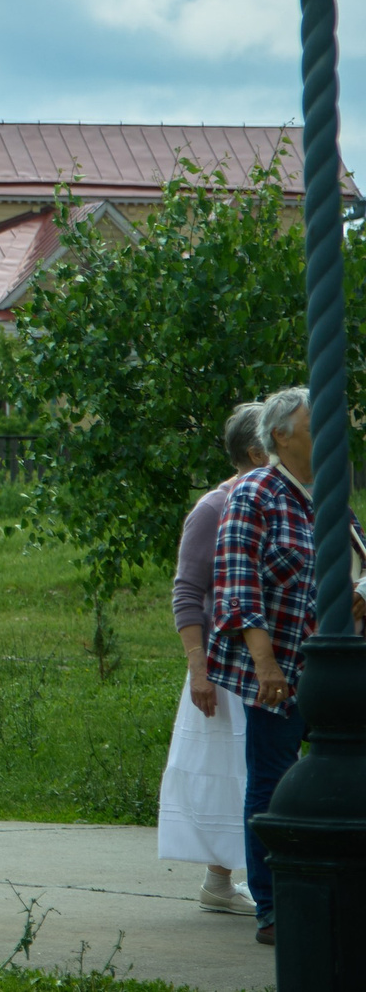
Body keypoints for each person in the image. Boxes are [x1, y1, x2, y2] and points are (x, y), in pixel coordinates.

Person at [207, 386, 366, 948]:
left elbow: (357, 558)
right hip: (279, 670)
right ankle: (274, 907)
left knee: (339, 775)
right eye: (314, 421)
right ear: (280, 435)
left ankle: (338, 889)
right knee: (273, 784)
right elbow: (236, 586)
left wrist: (360, 591)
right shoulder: (255, 493)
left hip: (335, 671)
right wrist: (266, 664)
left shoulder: (328, 496)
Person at [160, 402, 269, 917]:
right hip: (225, 662)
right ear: (256, 451)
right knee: (232, 767)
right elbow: (188, 591)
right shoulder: (214, 507)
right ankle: (229, 880)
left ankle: (225, 880)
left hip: (272, 654)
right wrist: (198, 668)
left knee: (251, 768)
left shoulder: (292, 501)